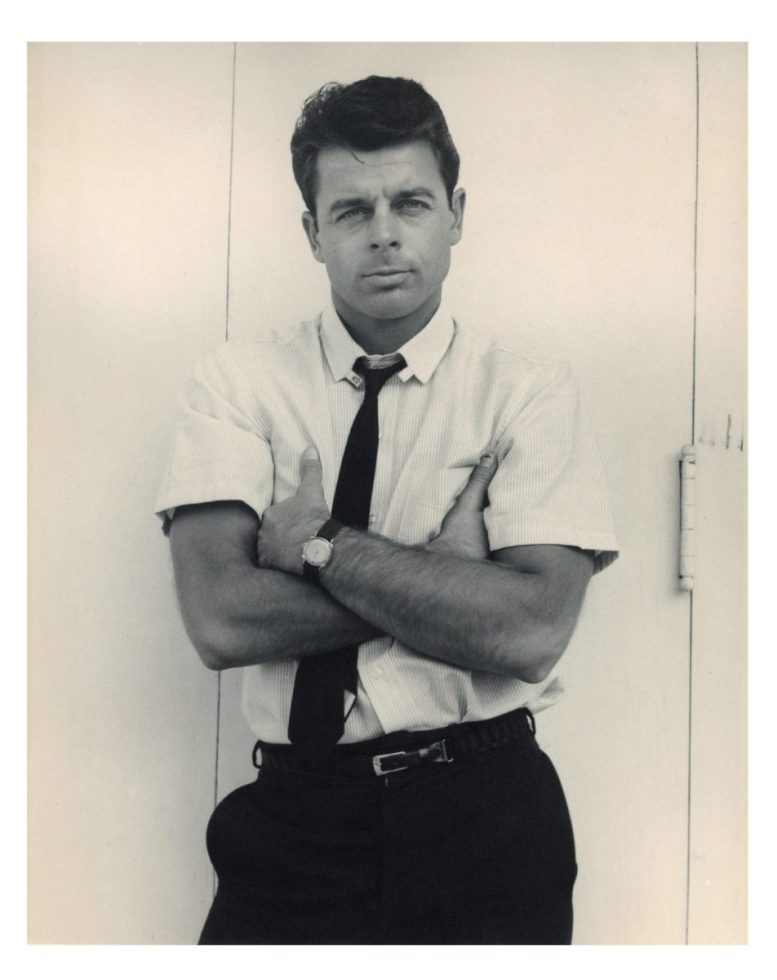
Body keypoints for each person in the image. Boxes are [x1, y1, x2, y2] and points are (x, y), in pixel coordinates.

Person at [155, 74, 618, 944]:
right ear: (312, 232)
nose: (384, 234)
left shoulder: (528, 392)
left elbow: (529, 633)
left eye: (410, 202)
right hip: (292, 820)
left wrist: (319, 544)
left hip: (486, 814)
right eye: (351, 211)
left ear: (455, 214)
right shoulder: (237, 384)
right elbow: (219, 619)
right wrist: (443, 579)